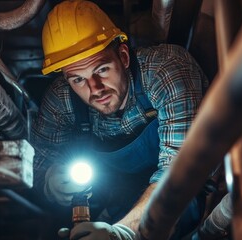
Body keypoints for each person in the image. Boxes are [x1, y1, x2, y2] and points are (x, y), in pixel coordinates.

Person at [31, 0, 210, 239]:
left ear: (124, 57)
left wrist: (124, 232)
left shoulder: (165, 70)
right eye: (78, 80)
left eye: (102, 70)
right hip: (118, 204)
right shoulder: (60, 99)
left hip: (186, 201)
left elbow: (180, 171)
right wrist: (49, 182)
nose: (95, 89)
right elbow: (38, 163)